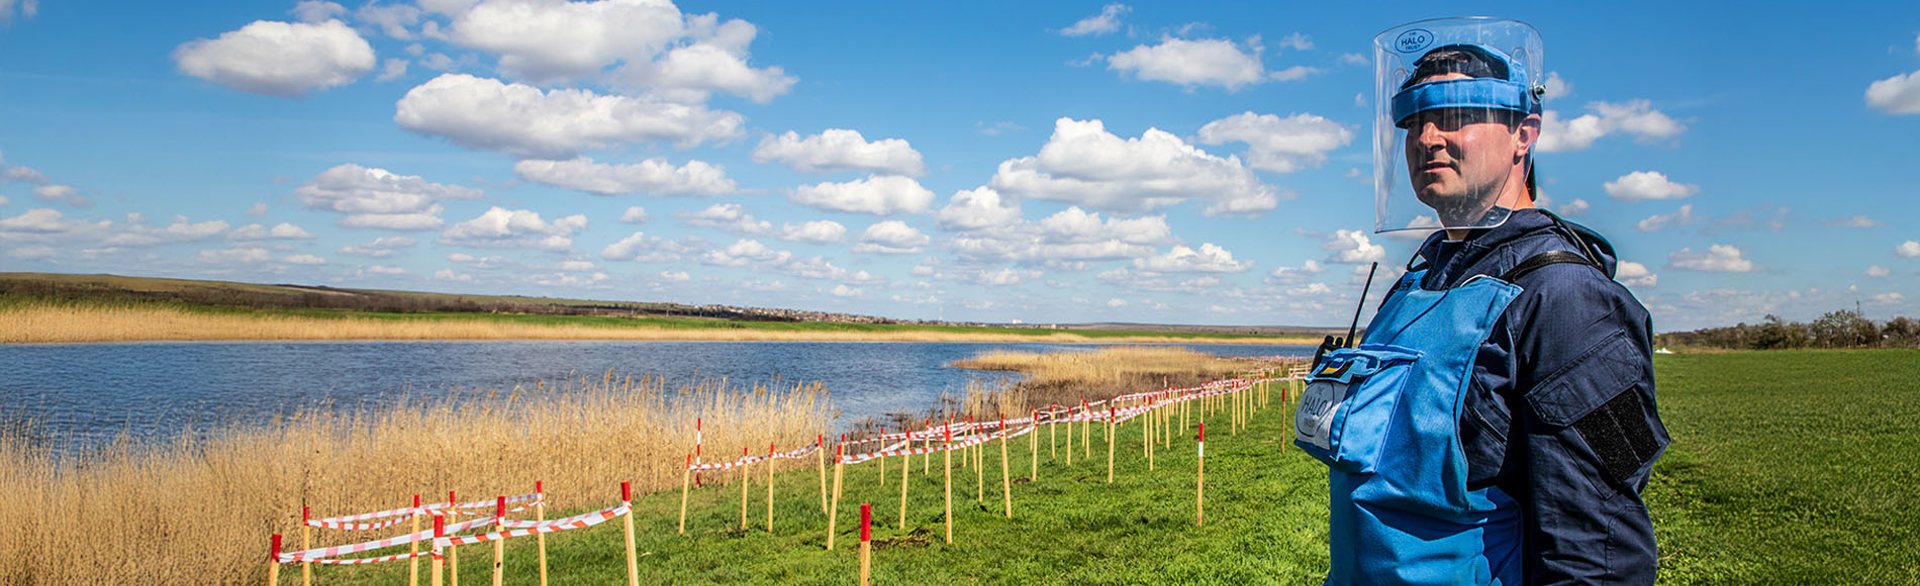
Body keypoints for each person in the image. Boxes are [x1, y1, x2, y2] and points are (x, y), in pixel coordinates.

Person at [1293, 17, 1668, 585]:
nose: (1426, 139)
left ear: (1525, 133)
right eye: (1414, 121)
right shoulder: (1419, 279)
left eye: (1455, 116)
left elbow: (1598, 555)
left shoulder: (1566, 298)